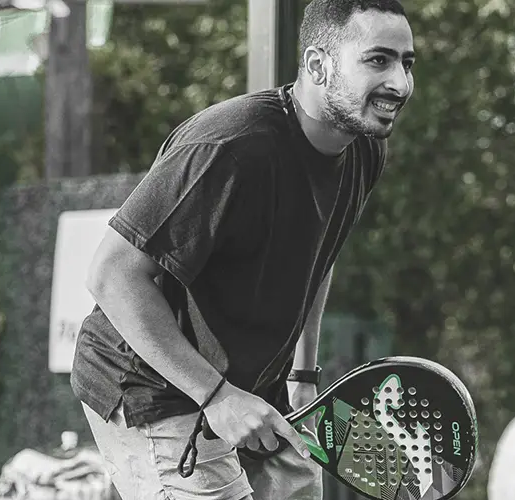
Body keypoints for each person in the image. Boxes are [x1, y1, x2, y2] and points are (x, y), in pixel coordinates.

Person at [69, 0, 415, 498]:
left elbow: (318, 257)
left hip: (254, 389)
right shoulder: (229, 147)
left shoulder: (362, 148)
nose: (399, 83)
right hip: (154, 387)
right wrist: (216, 396)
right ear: (318, 65)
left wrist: (302, 372)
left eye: (407, 63)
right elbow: (111, 273)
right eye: (378, 60)